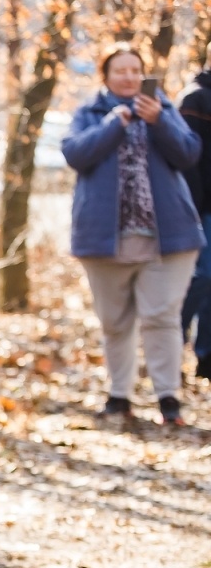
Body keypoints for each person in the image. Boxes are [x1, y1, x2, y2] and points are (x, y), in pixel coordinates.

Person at [63, 44, 205, 425]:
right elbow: (75, 154)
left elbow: (188, 153)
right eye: (120, 70)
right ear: (106, 75)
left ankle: (168, 399)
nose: (128, 77)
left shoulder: (164, 108)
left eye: (135, 70)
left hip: (167, 238)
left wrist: (159, 121)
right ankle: (119, 396)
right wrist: (114, 124)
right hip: (104, 238)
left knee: (162, 317)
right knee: (115, 322)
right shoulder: (90, 113)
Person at [176, 47, 211, 379]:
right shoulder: (195, 98)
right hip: (202, 209)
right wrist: (194, 207)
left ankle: (206, 357)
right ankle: (174, 338)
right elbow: (187, 161)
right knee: (204, 276)